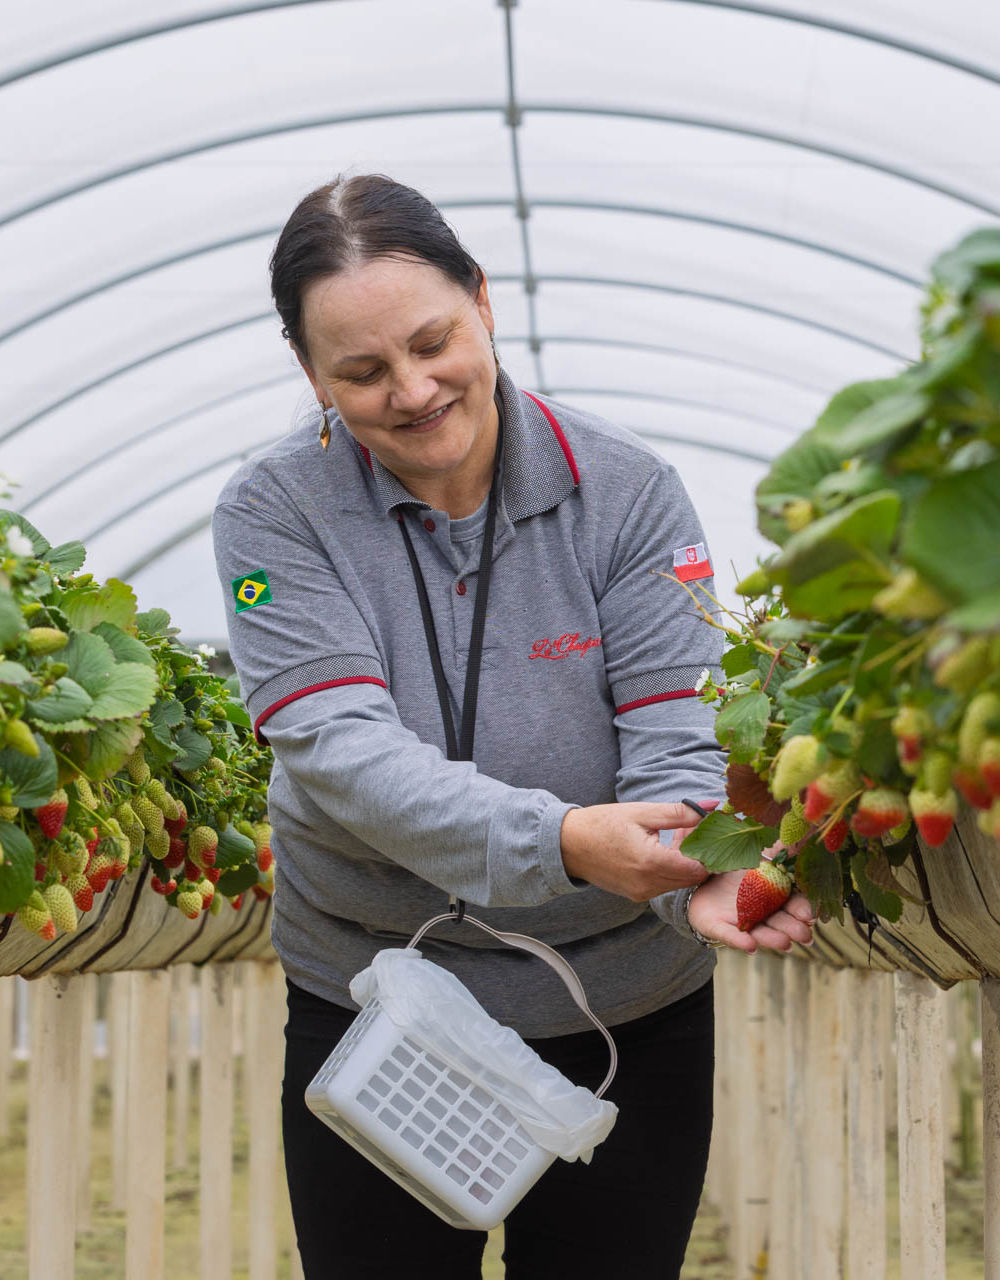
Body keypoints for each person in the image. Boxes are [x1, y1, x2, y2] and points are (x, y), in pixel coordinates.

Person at [213, 173, 815, 1279]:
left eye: (434, 340)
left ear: (484, 301)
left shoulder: (626, 492)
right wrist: (564, 841)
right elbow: (338, 750)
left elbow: (675, 732)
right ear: (311, 375)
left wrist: (695, 867)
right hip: (373, 997)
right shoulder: (275, 513)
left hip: (624, 1009)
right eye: (362, 370)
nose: (413, 388)